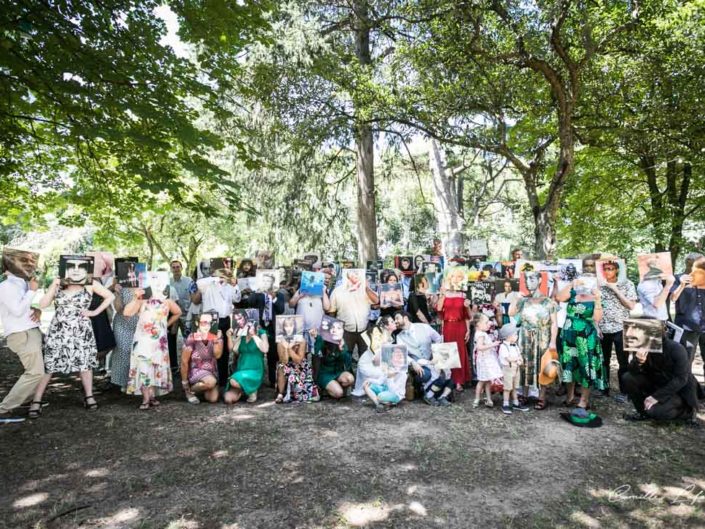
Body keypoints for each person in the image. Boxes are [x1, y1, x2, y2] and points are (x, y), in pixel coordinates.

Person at [29, 272, 114, 417]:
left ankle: (89, 396)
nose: (75, 270)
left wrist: (94, 312)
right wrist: (53, 285)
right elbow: (42, 304)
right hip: (59, 329)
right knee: (49, 363)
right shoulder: (59, 283)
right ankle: (36, 400)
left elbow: (110, 296)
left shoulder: (89, 283)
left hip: (81, 329)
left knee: (85, 362)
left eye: (78, 266)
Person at [622, 318, 700, 424]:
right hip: (656, 382)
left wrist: (656, 397)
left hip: (676, 390)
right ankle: (642, 412)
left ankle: (687, 412)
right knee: (627, 378)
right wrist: (639, 361)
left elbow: (681, 379)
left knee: (656, 412)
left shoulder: (677, 349)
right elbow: (632, 370)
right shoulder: (643, 346)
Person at [0, 250, 43, 424]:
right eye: (25, 262)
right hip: (21, 334)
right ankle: (4, 409)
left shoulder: (19, 284)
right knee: (35, 372)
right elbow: (17, 311)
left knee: (37, 370)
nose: (30, 266)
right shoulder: (6, 286)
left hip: (30, 331)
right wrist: (32, 291)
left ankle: (24, 400)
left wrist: (36, 309)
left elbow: (23, 308)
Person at [123, 287, 182, 409]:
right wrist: (136, 298)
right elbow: (126, 313)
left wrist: (166, 325)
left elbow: (178, 312)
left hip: (159, 341)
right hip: (143, 339)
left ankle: (152, 395)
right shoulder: (141, 300)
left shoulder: (167, 301)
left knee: (155, 366)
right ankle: (145, 398)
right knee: (144, 366)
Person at [556, 275, 607, 412]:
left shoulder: (597, 296)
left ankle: (584, 400)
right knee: (569, 364)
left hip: (586, 336)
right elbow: (559, 298)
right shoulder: (574, 292)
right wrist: (572, 284)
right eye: (585, 279)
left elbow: (597, 318)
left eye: (591, 281)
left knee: (586, 366)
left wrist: (597, 299)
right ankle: (570, 396)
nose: (587, 283)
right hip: (568, 334)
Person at [508, 271, 558, 409]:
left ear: (540, 280)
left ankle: (542, 397)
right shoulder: (524, 301)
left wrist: (553, 341)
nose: (528, 282)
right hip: (525, 337)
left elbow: (554, 323)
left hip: (543, 336)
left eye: (532, 278)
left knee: (543, 365)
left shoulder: (549, 302)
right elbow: (511, 313)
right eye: (526, 279)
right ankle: (524, 394)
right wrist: (516, 298)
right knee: (524, 365)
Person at [598, 259, 637, 402]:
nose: (607, 271)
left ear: (617, 270)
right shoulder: (598, 285)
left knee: (623, 362)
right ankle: (603, 388)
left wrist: (615, 288)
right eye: (605, 269)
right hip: (603, 328)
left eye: (610, 268)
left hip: (621, 327)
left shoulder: (627, 284)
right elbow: (595, 306)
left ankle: (625, 391)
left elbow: (631, 306)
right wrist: (596, 325)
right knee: (603, 361)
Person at [394, 311, 451, 406]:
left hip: (432, 359)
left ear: (405, 318)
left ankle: (437, 396)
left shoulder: (424, 327)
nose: (395, 321)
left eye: (397, 318)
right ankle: (433, 393)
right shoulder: (399, 336)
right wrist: (413, 363)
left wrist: (436, 355)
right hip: (419, 364)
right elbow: (402, 354)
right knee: (426, 375)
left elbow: (438, 339)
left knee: (448, 376)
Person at [197, 271, 241, 386]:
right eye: (220, 274)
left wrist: (235, 284)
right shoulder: (207, 284)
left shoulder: (228, 287)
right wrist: (216, 278)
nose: (223, 276)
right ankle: (208, 376)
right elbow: (198, 283)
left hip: (225, 319)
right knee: (209, 348)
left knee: (224, 350)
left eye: (224, 274)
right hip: (211, 319)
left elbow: (237, 299)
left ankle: (222, 378)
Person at [328, 272, 379, 358]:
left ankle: (362, 370)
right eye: (352, 275)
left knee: (365, 355)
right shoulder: (337, 291)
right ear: (347, 277)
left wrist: (366, 287)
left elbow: (376, 301)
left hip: (364, 329)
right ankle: (346, 371)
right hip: (345, 330)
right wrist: (334, 334)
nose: (355, 277)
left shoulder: (366, 290)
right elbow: (332, 312)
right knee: (345, 356)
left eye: (357, 275)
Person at [180, 311, 222, 404]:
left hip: (211, 372)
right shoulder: (192, 337)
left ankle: (204, 387)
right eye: (204, 322)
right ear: (197, 323)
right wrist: (185, 383)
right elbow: (184, 362)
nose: (207, 325)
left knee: (212, 399)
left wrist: (216, 341)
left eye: (209, 323)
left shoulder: (216, 335)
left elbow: (218, 355)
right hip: (196, 370)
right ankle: (189, 391)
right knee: (210, 382)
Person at [671, 256, 705, 366]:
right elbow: (673, 298)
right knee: (686, 360)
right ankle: (686, 383)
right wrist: (682, 285)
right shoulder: (677, 278)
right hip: (687, 327)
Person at [224, 320, 268, 404]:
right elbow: (231, 349)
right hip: (242, 369)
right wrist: (229, 336)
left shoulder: (261, 332)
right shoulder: (242, 333)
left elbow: (265, 349)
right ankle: (245, 389)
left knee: (233, 381)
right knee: (227, 398)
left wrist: (254, 335)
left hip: (255, 369)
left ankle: (251, 390)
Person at [436, 285, 471, 391]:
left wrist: (468, 330)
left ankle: (459, 381)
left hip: (460, 326)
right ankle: (447, 379)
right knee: (448, 351)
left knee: (460, 352)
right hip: (447, 326)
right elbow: (438, 310)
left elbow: (467, 316)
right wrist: (442, 294)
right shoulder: (444, 294)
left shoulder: (462, 295)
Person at [352, 315, 395, 397]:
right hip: (368, 364)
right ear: (386, 326)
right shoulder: (378, 337)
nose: (395, 323)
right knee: (386, 374)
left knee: (392, 372)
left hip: (377, 363)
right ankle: (372, 387)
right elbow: (376, 360)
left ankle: (380, 389)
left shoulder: (390, 337)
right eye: (392, 322)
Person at [275, 328, 318, 403]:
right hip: (287, 363)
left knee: (300, 366)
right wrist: (285, 347)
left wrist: (289, 349)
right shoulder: (280, 341)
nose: (288, 328)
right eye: (286, 326)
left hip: (299, 365)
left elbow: (298, 360)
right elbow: (284, 361)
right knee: (281, 367)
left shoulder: (302, 340)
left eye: (291, 325)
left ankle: (299, 392)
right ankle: (280, 394)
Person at [288, 280, 331, 353]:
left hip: (317, 330)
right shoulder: (300, 291)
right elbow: (291, 304)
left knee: (317, 353)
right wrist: (299, 296)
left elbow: (327, 307)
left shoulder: (321, 293)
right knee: (301, 353)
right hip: (301, 330)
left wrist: (323, 292)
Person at [363, 344, 407, 413]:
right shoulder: (389, 368)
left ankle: (382, 402)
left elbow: (394, 391)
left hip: (396, 395)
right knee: (368, 386)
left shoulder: (403, 374)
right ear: (391, 359)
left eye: (399, 357)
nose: (397, 359)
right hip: (385, 389)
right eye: (395, 357)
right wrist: (369, 380)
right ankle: (379, 404)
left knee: (381, 396)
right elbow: (380, 381)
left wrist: (390, 378)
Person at [497, 323, 529, 414]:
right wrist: (517, 359)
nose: (517, 336)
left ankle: (515, 403)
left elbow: (519, 355)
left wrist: (520, 360)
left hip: (516, 369)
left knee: (515, 387)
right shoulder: (503, 347)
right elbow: (508, 358)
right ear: (509, 336)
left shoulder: (515, 346)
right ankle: (505, 404)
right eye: (515, 335)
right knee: (507, 388)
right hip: (508, 369)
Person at [313, 327, 354, 399]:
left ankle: (335, 386)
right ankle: (327, 389)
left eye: (338, 328)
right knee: (339, 393)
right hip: (325, 373)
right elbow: (316, 355)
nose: (335, 331)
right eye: (333, 328)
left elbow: (347, 362)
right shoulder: (321, 339)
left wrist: (342, 348)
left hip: (338, 372)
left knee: (350, 379)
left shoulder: (341, 340)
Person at [472, 313, 503, 408]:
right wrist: (493, 344)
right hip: (485, 360)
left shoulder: (482, 333)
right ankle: (477, 398)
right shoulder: (480, 334)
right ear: (478, 324)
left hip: (487, 358)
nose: (489, 324)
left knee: (487, 380)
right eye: (486, 322)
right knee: (482, 380)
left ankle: (489, 399)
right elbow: (480, 347)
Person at [168, 260, 193, 371]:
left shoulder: (189, 281)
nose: (176, 269)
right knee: (171, 339)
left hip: (186, 315)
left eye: (178, 267)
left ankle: (190, 364)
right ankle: (173, 366)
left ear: (181, 268)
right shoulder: (168, 282)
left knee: (188, 340)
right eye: (173, 267)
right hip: (173, 315)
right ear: (171, 269)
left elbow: (194, 296)